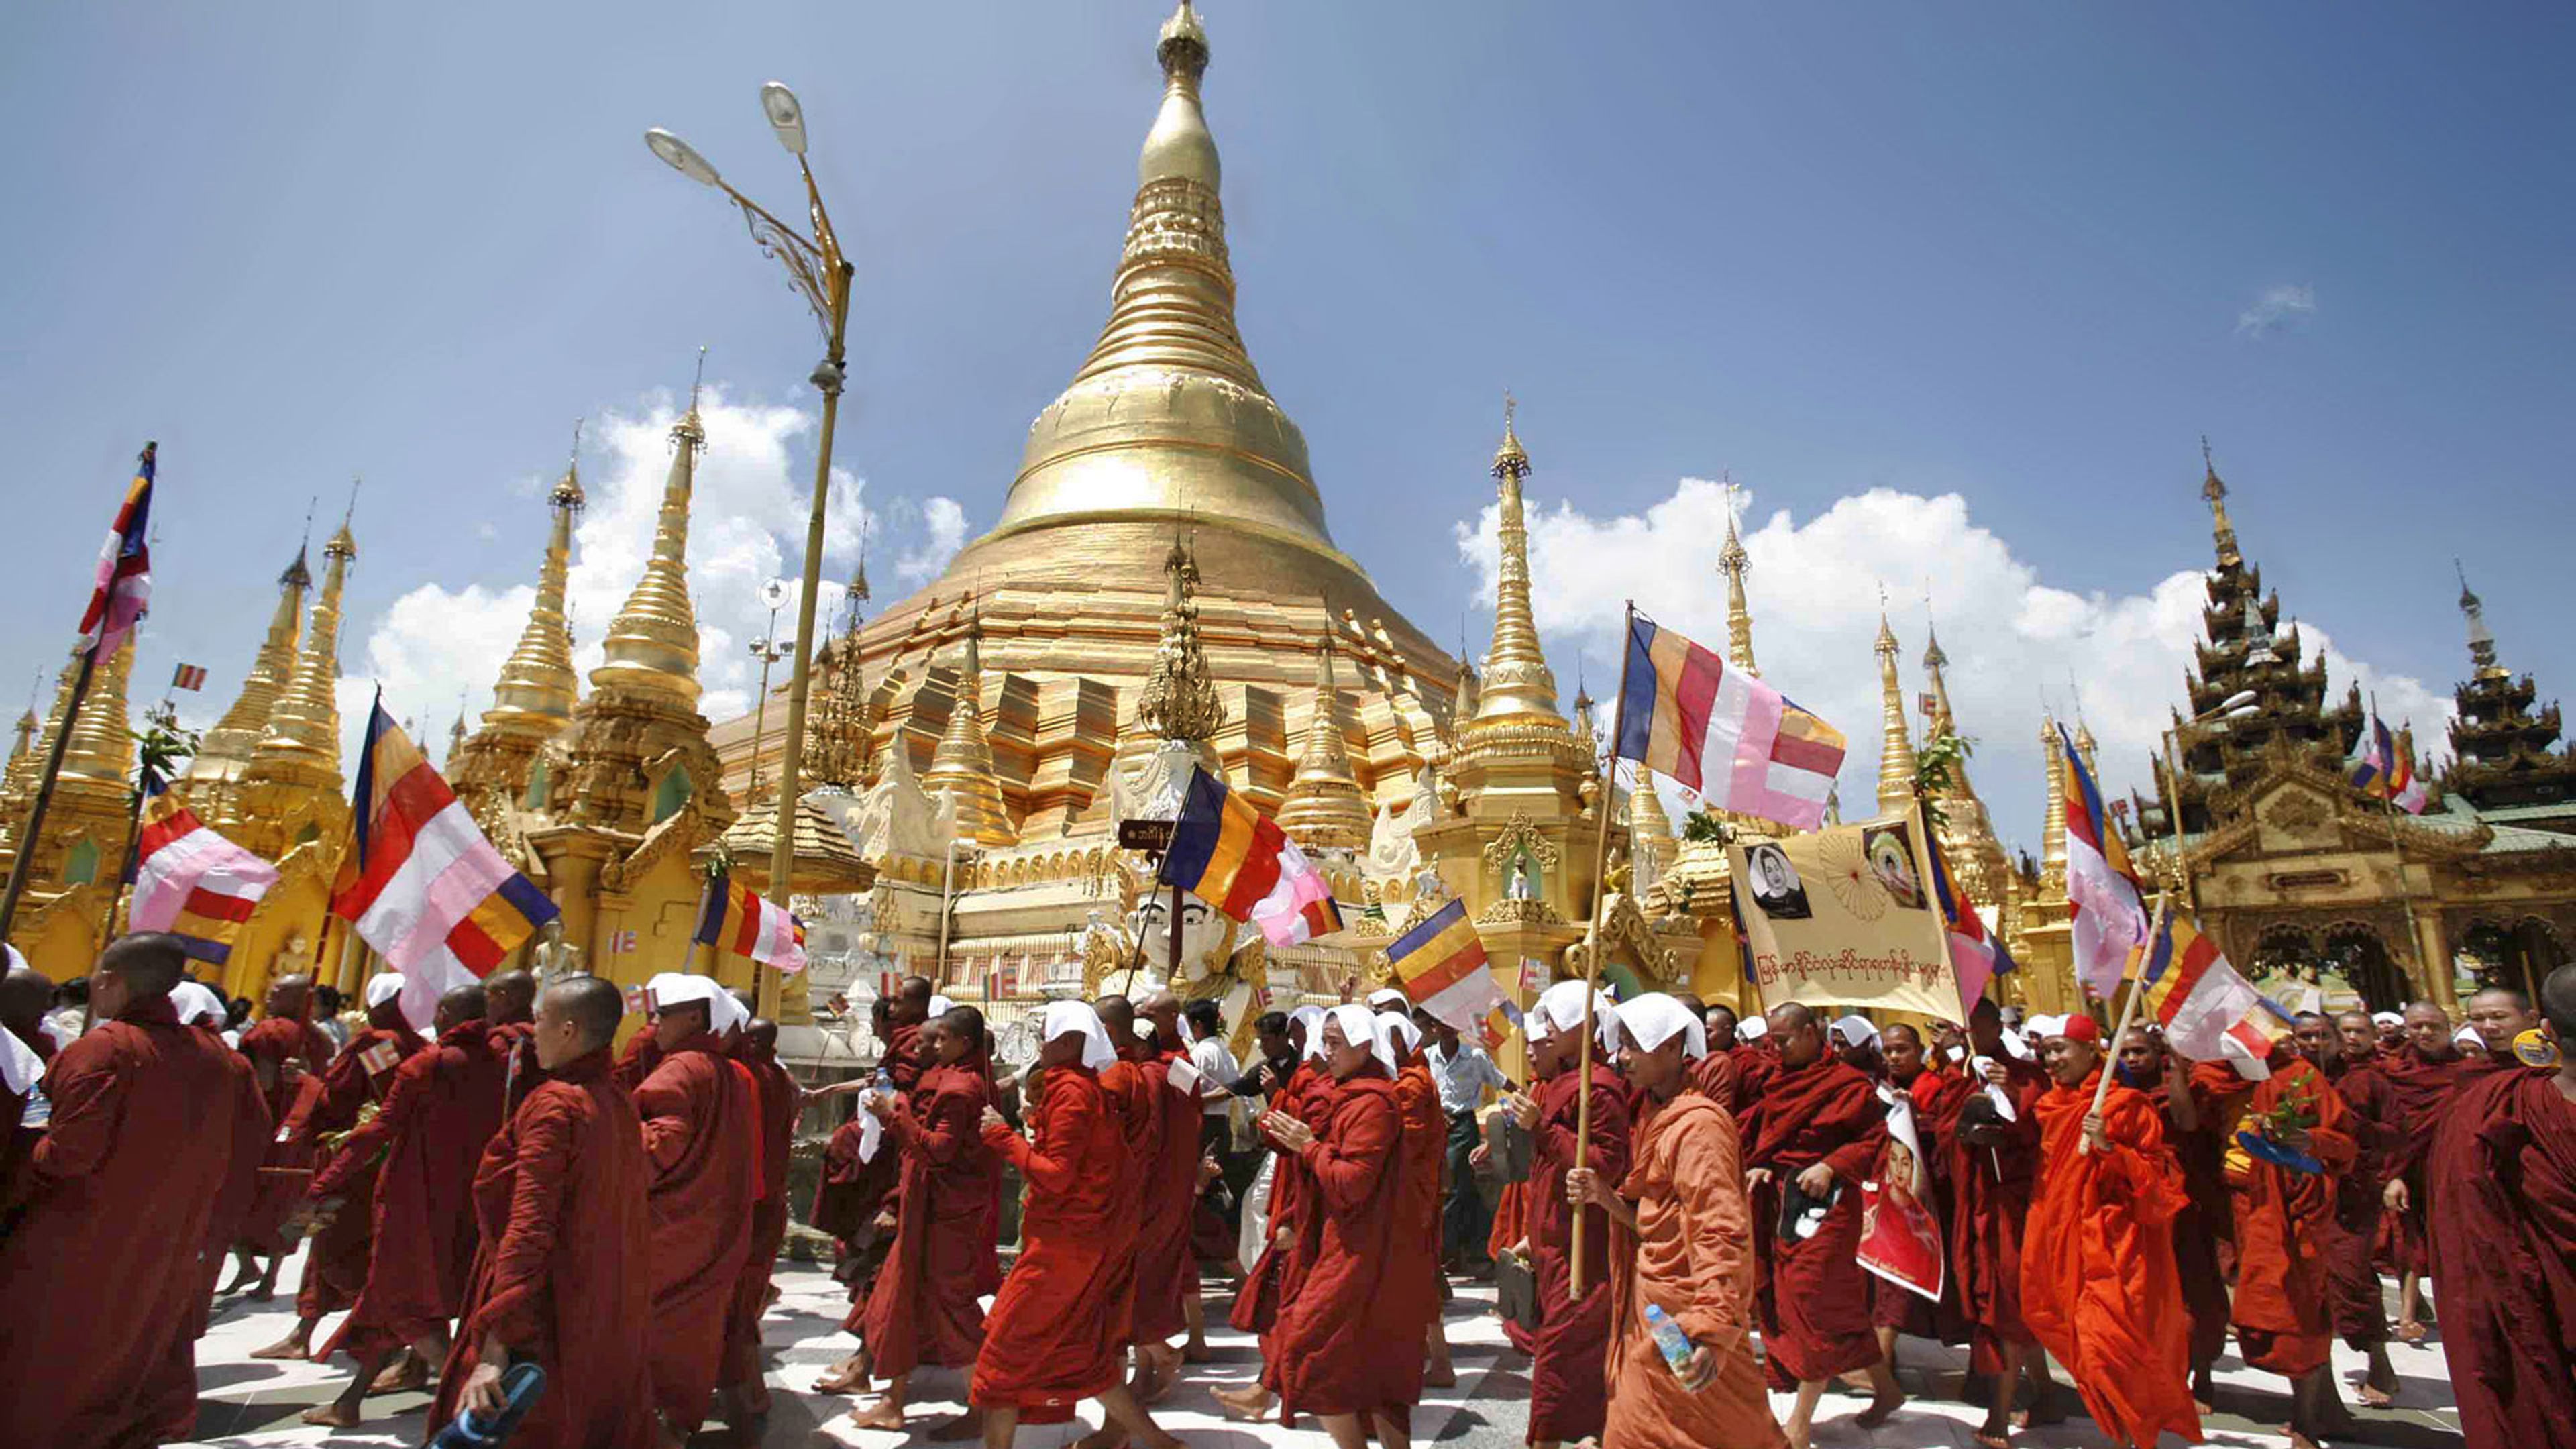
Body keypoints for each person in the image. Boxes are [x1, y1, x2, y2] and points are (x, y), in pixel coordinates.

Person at [0, 934, 251, 1448]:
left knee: (45, 1364)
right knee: (131, 1350)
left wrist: (23, 1161)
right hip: (166, 1242)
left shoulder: (106, 1048)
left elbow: (69, 1155)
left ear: (111, 982)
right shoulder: (215, 1056)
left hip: (76, 1240)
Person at [431, 973, 657, 1448]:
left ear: (570, 1030)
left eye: (540, 1020)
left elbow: (529, 1225)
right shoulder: (616, 1102)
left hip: (545, 1313)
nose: (532, 1032)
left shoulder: (556, 1106)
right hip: (603, 1306)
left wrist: (498, 1343)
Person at [1569, 993, 1786, 1449]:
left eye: (1633, 1044)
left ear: (1671, 1047)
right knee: (1639, 1422)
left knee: (1719, 1422)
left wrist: (1713, 1325)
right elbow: (1654, 1218)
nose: (1621, 1056)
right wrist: (1604, 1198)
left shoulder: (1700, 1127)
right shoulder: (1655, 1114)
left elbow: (1719, 1228)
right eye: (1620, 1043)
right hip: (1655, 1306)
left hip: (1688, 1313)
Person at [972, 1001, 1184, 1449]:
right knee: (1081, 1356)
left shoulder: (1074, 1092)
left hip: (1060, 1249)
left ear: (1069, 1042)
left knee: (999, 1359)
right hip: (1080, 1240)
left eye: (1044, 1036)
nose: (1040, 1045)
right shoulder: (1084, 1088)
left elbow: (1055, 1175)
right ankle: (1158, 1442)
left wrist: (1002, 1136)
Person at [295, 982, 508, 1427]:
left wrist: (325, 1182)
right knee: (386, 1299)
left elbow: (377, 1126)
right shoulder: (502, 1061)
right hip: (470, 1198)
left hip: (415, 1198)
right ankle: (349, 1402)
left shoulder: (422, 1061)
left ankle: (473, 1397)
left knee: (402, 1302)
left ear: (448, 1012)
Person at [1216, 1004, 1413, 1448]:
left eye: (1335, 1043)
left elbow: (1352, 1182)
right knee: (1354, 1359)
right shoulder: (1341, 1092)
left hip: (1361, 1247)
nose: (1325, 1051)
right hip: (1330, 1236)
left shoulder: (1374, 1104)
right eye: (1322, 1041)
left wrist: (1308, 1146)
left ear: (1365, 1045)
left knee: (1314, 1352)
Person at [2019, 1013, 2200, 1449]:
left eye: (2061, 1049)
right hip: (2066, 1238)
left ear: (2092, 1049)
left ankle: (2137, 1435)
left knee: (2112, 1345)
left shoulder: (2126, 1106)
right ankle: (2122, 1436)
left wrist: (2110, 1149)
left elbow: (2161, 1180)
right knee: (2077, 1340)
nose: (2053, 1060)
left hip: (2117, 1244)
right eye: (2046, 1052)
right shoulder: (2050, 1107)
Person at [2422, 961, 2576, 1448]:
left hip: (2555, 1321)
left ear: (2544, 1027)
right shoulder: (2497, 1101)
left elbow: (2478, 1241)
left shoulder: (2495, 1110)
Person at [1741, 1002, 1901, 1446]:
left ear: (1813, 1032)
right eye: (1772, 1040)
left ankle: (1800, 1421)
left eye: (1786, 1039)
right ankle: (1887, 1392)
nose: (1778, 1048)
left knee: (1813, 1300)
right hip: (1785, 1202)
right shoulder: (1777, 1080)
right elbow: (1773, 1139)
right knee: (1833, 1304)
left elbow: (1874, 1140)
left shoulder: (1846, 1084)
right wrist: (1765, 1166)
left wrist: (1832, 1165)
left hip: (1828, 1207)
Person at [2197, 1020, 2360, 1448]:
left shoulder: (2299, 1079)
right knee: (2276, 1307)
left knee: (2298, 1307)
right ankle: (2326, 1408)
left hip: (2294, 1210)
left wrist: (2305, 1141)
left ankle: (2308, 1418)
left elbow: (2342, 1145)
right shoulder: (2219, 1080)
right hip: (2244, 1205)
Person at [252, 971, 428, 1363]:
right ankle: (309, 1330)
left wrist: (305, 1084)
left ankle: (322, 1333)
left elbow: (345, 1100)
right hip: (385, 1159)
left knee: (331, 1243)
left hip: (354, 1159)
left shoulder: (378, 1044)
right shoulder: (416, 1044)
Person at [847, 1006, 1003, 1434]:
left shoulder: (960, 1090)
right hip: (926, 1209)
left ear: (963, 1044)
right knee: (904, 1300)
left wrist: (893, 1115)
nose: (929, 1045)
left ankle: (985, 1405)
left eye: (941, 1040)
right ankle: (892, 1402)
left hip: (946, 1216)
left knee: (952, 1307)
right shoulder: (962, 1080)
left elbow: (938, 1150)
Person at [634, 973, 759, 1442]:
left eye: (663, 1014)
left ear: (692, 1018)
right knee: (694, 1334)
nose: (654, 1023)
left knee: (643, 1330)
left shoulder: (681, 1068)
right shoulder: (730, 1071)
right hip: (717, 1228)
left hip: (668, 1232)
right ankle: (678, 1424)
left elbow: (659, 1145)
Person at [1512, 980, 1631, 1448]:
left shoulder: (1599, 1089)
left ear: (1580, 1030)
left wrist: (1541, 1128)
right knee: (1572, 1354)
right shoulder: (1554, 1086)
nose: (1542, 1034)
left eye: (1551, 1027)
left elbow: (1605, 1166)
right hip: (1553, 1239)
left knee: (1558, 1359)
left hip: (1586, 1244)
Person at [1952, 1019, 2055, 1447]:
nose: (1972, 1036)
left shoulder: (2029, 1076)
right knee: (2007, 1301)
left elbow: (2041, 1129)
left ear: (1997, 1027)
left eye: (1979, 1027)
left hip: (2019, 1206)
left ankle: (1999, 1415)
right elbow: (1948, 1131)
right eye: (1965, 1030)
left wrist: (2009, 1091)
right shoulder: (1957, 1076)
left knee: (2009, 1303)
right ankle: (2047, 1395)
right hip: (1979, 1203)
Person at [2119, 1024, 2230, 1405]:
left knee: (2194, 1289)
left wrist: (2179, 1071)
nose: (2133, 1059)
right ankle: (2166, 1374)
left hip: (2184, 1201)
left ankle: (2202, 1372)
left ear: (2158, 1053)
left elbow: (2186, 1122)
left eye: (2140, 1052)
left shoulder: (2175, 1087)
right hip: (2141, 1202)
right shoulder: (2119, 1092)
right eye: (2126, 1052)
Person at [226, 971, 337, 1298]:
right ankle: (268, 1277)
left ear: (297, 999)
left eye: (277, 992)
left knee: (239, 1195)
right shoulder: (318, 1038)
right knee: (286, 1201)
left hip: (268, 1126)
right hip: (303, 1130)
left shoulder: (267, 1032)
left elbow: (264, 1085)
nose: (269, 995)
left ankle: (248, 1265)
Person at [1870, 1022, 1969, 1368]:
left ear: (1919, 1050)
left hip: (1934, 1200)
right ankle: (1884, 1367)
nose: (1894, 1057)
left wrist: (1917, 1119)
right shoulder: (1880, 1088)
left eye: (1902, 1049)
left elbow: (1949, 1133)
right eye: (1888, 1051)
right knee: (1888, 1281)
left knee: (1949, 1283)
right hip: (1893, 1199)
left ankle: (1980, 1370)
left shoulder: (1934, 1086)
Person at [720, 1015, 802, 1424]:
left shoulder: (741, 1077)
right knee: (742, 1302)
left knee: (735, 1308)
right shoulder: (784, 1080)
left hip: (748, 1203)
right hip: (769, 1200)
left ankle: (749, 1397)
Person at [2324, 1009, 2404, 1405]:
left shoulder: (2374, 1079)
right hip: (2311, 1191)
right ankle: (2318, 1391)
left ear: (2373, 1034)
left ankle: (2380, 1361)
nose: (2351, 1039)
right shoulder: (2313, 1078)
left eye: (2359, 1031)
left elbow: (2397, 1132)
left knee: (2354, 1273)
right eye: (2345, 1033)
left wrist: (2357, 1127)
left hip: (2357, 1191)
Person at [1381, 1010, 1452, 1394]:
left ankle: (1438, 1360)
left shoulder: (1410, 1082)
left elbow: (1406, 1139)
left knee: (1416, 1275)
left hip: (1411, 1192)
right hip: (1412, 1189)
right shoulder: (1407, 1077)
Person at [1422, 1008, 1508, 1274]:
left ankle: (1441, 1250)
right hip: (1436, 1125)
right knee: (1458, 1189)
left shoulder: (1475, 1057)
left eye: (1451, 1023)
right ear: (1434, 1027)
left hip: (1462, 1125)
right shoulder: (1426, 1058)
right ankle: (1470, 1248)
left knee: (1452, 1186)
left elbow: (1502, 1082)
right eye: (1440, 1023)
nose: (1446, 1029)